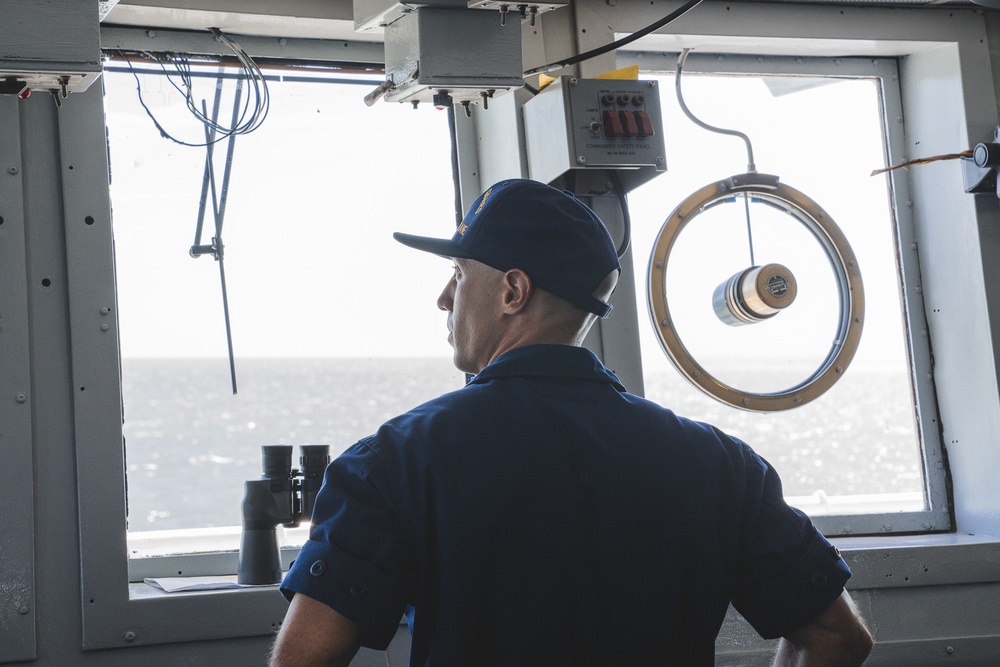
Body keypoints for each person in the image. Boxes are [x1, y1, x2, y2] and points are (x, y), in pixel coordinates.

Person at [270, 178, 873, 666]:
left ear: (512, 291)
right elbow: (838, 638)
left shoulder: (395, 461)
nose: (444, 299)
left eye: (458, 275)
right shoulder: (722, 465)